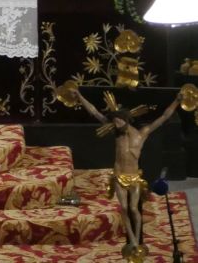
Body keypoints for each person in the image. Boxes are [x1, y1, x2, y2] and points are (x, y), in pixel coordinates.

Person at [58, 83, 182, 253]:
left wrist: (177, 101)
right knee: (124, 208)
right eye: (114, 122)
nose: (115, 125)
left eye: (118, 122)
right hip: (118, 176)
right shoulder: (117, 135)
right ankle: (132, 241)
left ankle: (138, 239)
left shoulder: (142, 134)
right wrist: (79, 96)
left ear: (125, 120)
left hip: (134, 177)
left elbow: (163, 117)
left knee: (134, 208)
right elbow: (94, 112)